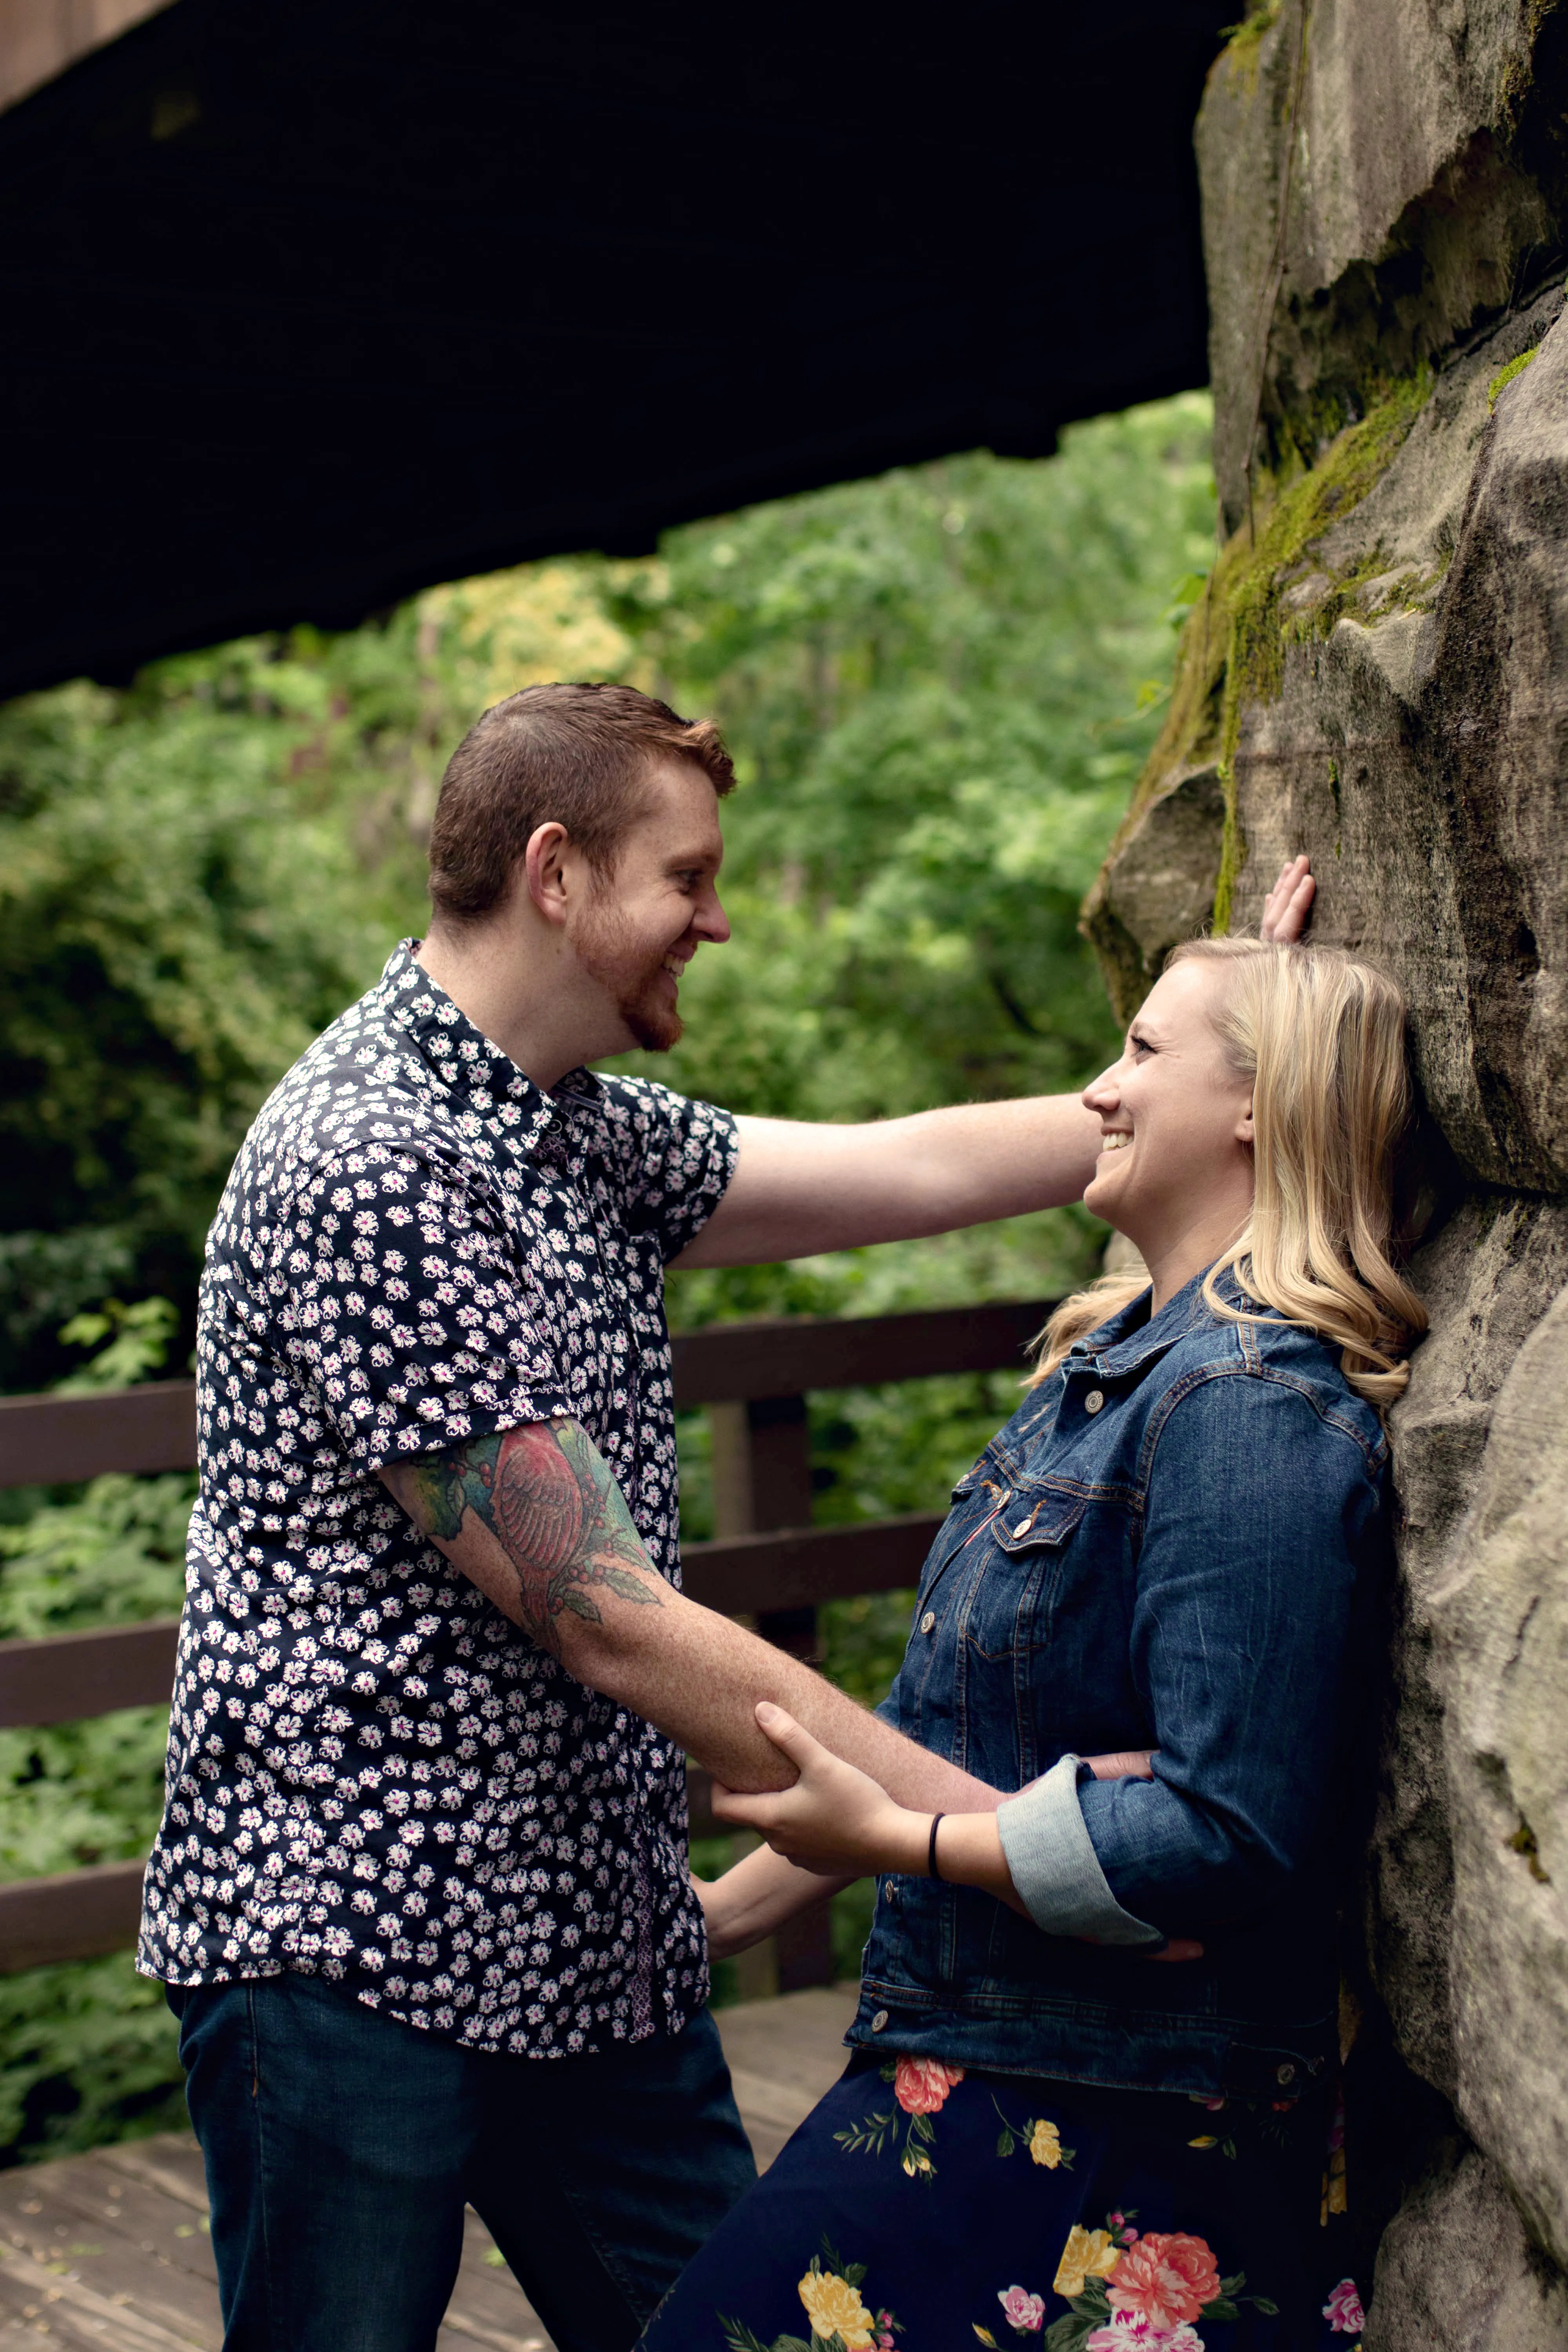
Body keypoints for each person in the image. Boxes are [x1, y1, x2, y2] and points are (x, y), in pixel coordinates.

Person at [138, 677, 1316, 2352]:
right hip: (347, 1956)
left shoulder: (571, 1128)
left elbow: (906, 1169)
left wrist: (1214, 1076)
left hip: (588, 1946)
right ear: (558, 873)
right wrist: (1011, 1844)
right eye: (686, 877)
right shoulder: (370, 1161)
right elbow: (602, 1608)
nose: (718, 916)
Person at [647, 932, 1425, 2352]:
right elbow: (958, 1750)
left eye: (1140, 1051)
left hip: (1114, 2114)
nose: (1099, 1090)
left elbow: (1222, 1836)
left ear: (1260, 1103)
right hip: (1010, 2064)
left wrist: (909, 1843)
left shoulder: (1244, 1409)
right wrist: (716, 1919)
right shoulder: (1116, 1366)